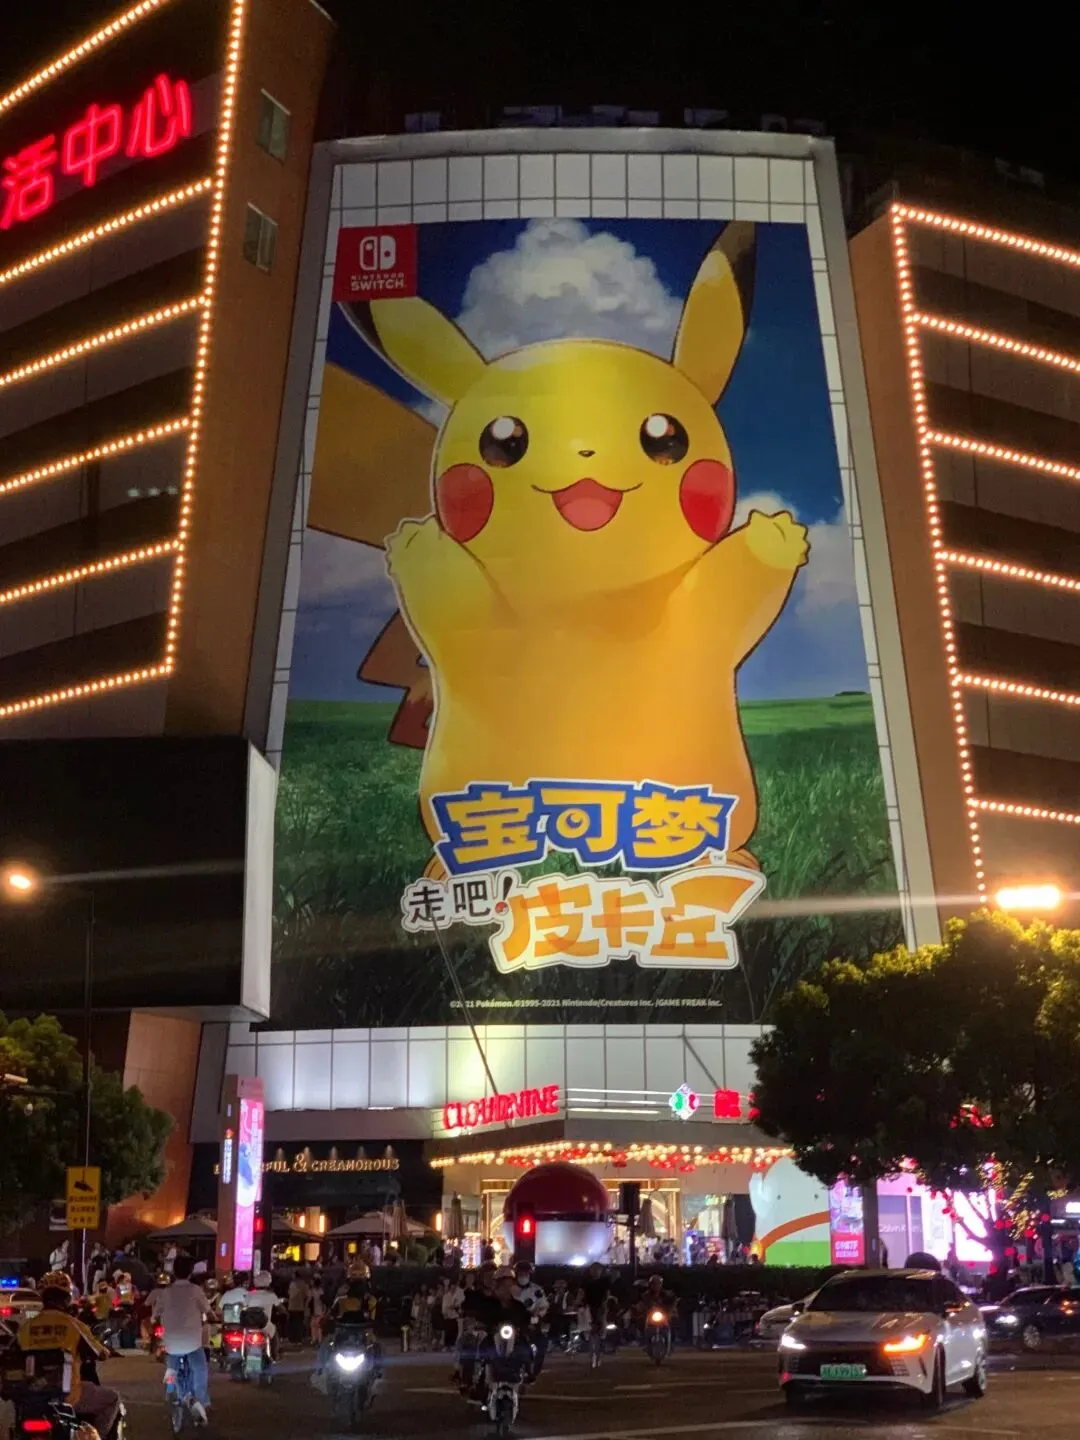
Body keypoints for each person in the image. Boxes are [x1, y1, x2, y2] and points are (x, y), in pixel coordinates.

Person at [15, 1280, 121, 1438]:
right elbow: (100, 1353)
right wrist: (105, 1351)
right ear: (66, 1303)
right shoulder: (74, 1325)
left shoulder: (26, 1328)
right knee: (112, 1399)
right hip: (68, 1395)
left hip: (31, 1396)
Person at [150, 1254, 213, 1425]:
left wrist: (156, 1320)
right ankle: (200, 1400)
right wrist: (213, 1318)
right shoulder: (196, 1290)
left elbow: (154, 1316)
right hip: (193, 1343)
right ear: (191, 1272)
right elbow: (208, 1311)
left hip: (171, 1343)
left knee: (171, 1365)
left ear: (173, 1272)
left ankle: (170, 1389)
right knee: (200, 1369)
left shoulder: (166, 1293)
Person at [512, 1261, 549, 1378]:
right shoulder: (510, 1289)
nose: (523, 1276)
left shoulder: (536, 1290)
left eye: (525, 1273)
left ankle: (535, 1371)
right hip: (513, 1323)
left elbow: (543, 1305)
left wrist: (538, 1314)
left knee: (542, 1343)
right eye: (520, 1273)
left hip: (531, 1322)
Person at [440, 1272, 465, 1353]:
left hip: (455, 1315)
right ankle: (446, 1345)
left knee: (454, 1331)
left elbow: (459, 1303)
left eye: (454, 1286)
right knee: (447, 1331)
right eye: (451, 1286)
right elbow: (444, 1306)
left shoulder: (459, 1293)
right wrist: (445, 1313)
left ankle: (453, 1345)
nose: (453, 1288)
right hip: (448, 1315)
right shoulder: (446, 1296)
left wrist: (454, 1306)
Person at [287, 1270, 311, 1346]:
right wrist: (306, 1304)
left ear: (295, 1275)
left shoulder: (292, 1284)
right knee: (298, 1324)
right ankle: (298, 1340)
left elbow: (289, 1294)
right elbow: (308, 1296)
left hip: (292, 1307)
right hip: (299, 1307)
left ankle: (293, 1340)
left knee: (293, 1324)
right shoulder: (303, 1285)